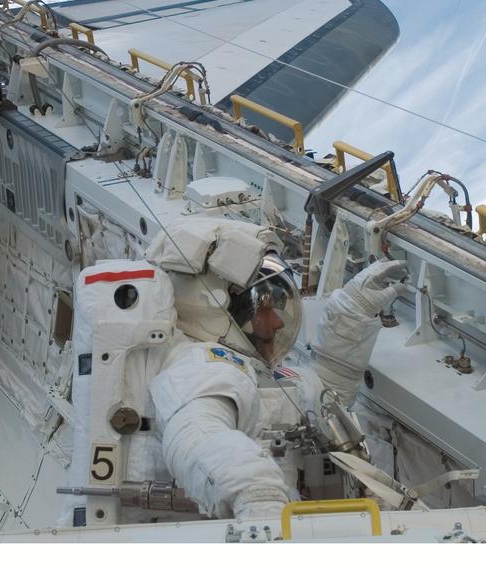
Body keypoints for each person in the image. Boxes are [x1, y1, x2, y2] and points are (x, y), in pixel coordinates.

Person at [68, 216, 411, 523]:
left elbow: (323, 398)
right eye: (263, 307)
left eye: (278, 305)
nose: (277, 321)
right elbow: (199, 437)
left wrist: (352, 313)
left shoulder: (248, 368)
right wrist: (256, 495)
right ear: (215, 307)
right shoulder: (201, 368)